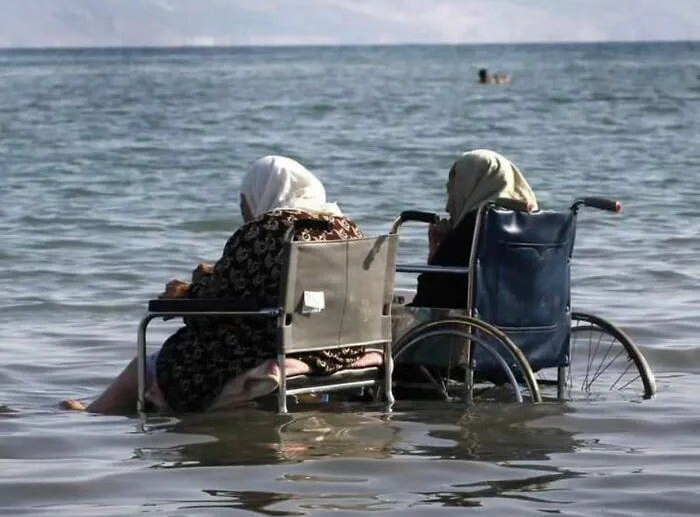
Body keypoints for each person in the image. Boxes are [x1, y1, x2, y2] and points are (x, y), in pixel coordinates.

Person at [62, 156, 365, 415]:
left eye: (244, 201)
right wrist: (215, 275)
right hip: (341, 346)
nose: (243, 211)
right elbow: (281, 281)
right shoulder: (346, 227)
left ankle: (96, 415)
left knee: (152, 362)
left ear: (263, 192)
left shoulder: (266, 231)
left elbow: (220, 303)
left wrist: (185, 297)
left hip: (277, 344)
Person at [410, 149, 538, 310]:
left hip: (470, 328)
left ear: (469, 188)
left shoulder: (472, 231)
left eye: (452, 192)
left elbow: (428, 299)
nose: (448, 206)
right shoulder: (536, 227)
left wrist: (438, 251)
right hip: (534, 324)